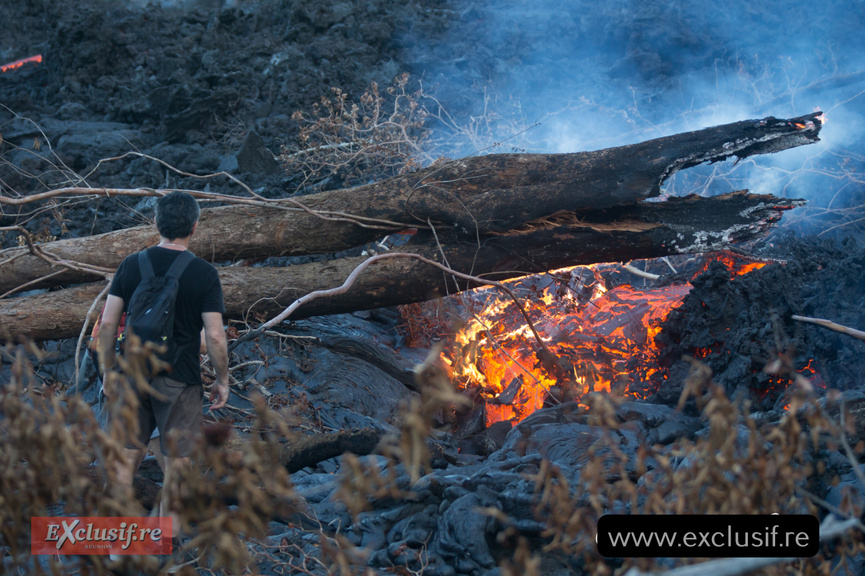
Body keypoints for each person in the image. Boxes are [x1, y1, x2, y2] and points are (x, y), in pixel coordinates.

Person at [97, 190, 230, 540]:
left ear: (156, 223)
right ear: (195, 227)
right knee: (177, 464)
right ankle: (163, 540)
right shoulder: (203, 273)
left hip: (131, 376)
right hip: (180, 380)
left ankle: (116, 542)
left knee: (123, 460)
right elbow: (215, 336)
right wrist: (222, 379)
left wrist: (109, 370)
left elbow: (109, 324)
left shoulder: (131, 264)